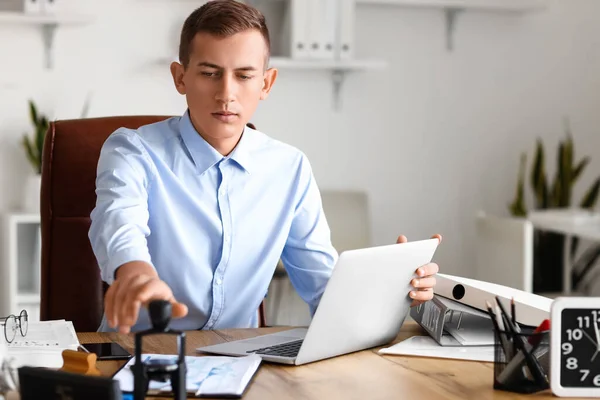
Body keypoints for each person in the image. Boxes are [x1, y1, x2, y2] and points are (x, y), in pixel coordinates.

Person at [89, 0, 441, 334]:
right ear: (180, 78)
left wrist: (394, 292)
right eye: (210, 73)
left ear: (266, 83)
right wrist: (134, 270)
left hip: (239, 361)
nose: (226, 93)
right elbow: (120, 222)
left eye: (244, 76)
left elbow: (324, 289)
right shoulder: (132, 150)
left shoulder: (289, 168)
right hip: (139, 353)